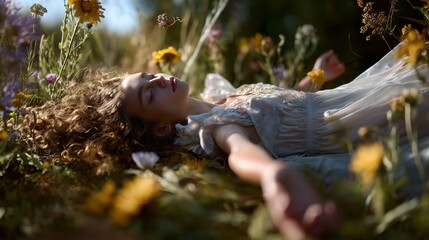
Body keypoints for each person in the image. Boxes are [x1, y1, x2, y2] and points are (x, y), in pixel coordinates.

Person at [26, 43, 429, 240]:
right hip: (373, 126)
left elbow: (278, 109)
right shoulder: (214, 127)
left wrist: (314, 78)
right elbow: (243, 151)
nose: (156, 79)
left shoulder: (224, 97)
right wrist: (272, 177)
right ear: (163, 129)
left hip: (359, 100)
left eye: (145, 76)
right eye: (149, 95)